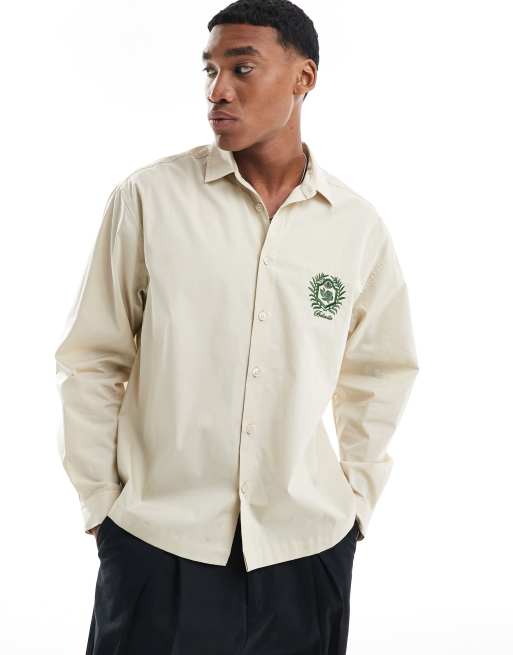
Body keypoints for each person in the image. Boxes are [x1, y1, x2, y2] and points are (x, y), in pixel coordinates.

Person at [54, 1, 419, 653]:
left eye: (241, 68)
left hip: (305, 552)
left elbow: (379, 373)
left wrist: (355, 505)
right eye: (210, 70)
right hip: (158, 544)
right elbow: (92, 359)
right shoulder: (149, 198)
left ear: (303, 77)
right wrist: (103, 508)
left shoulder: (355, 226)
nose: (217, 90)